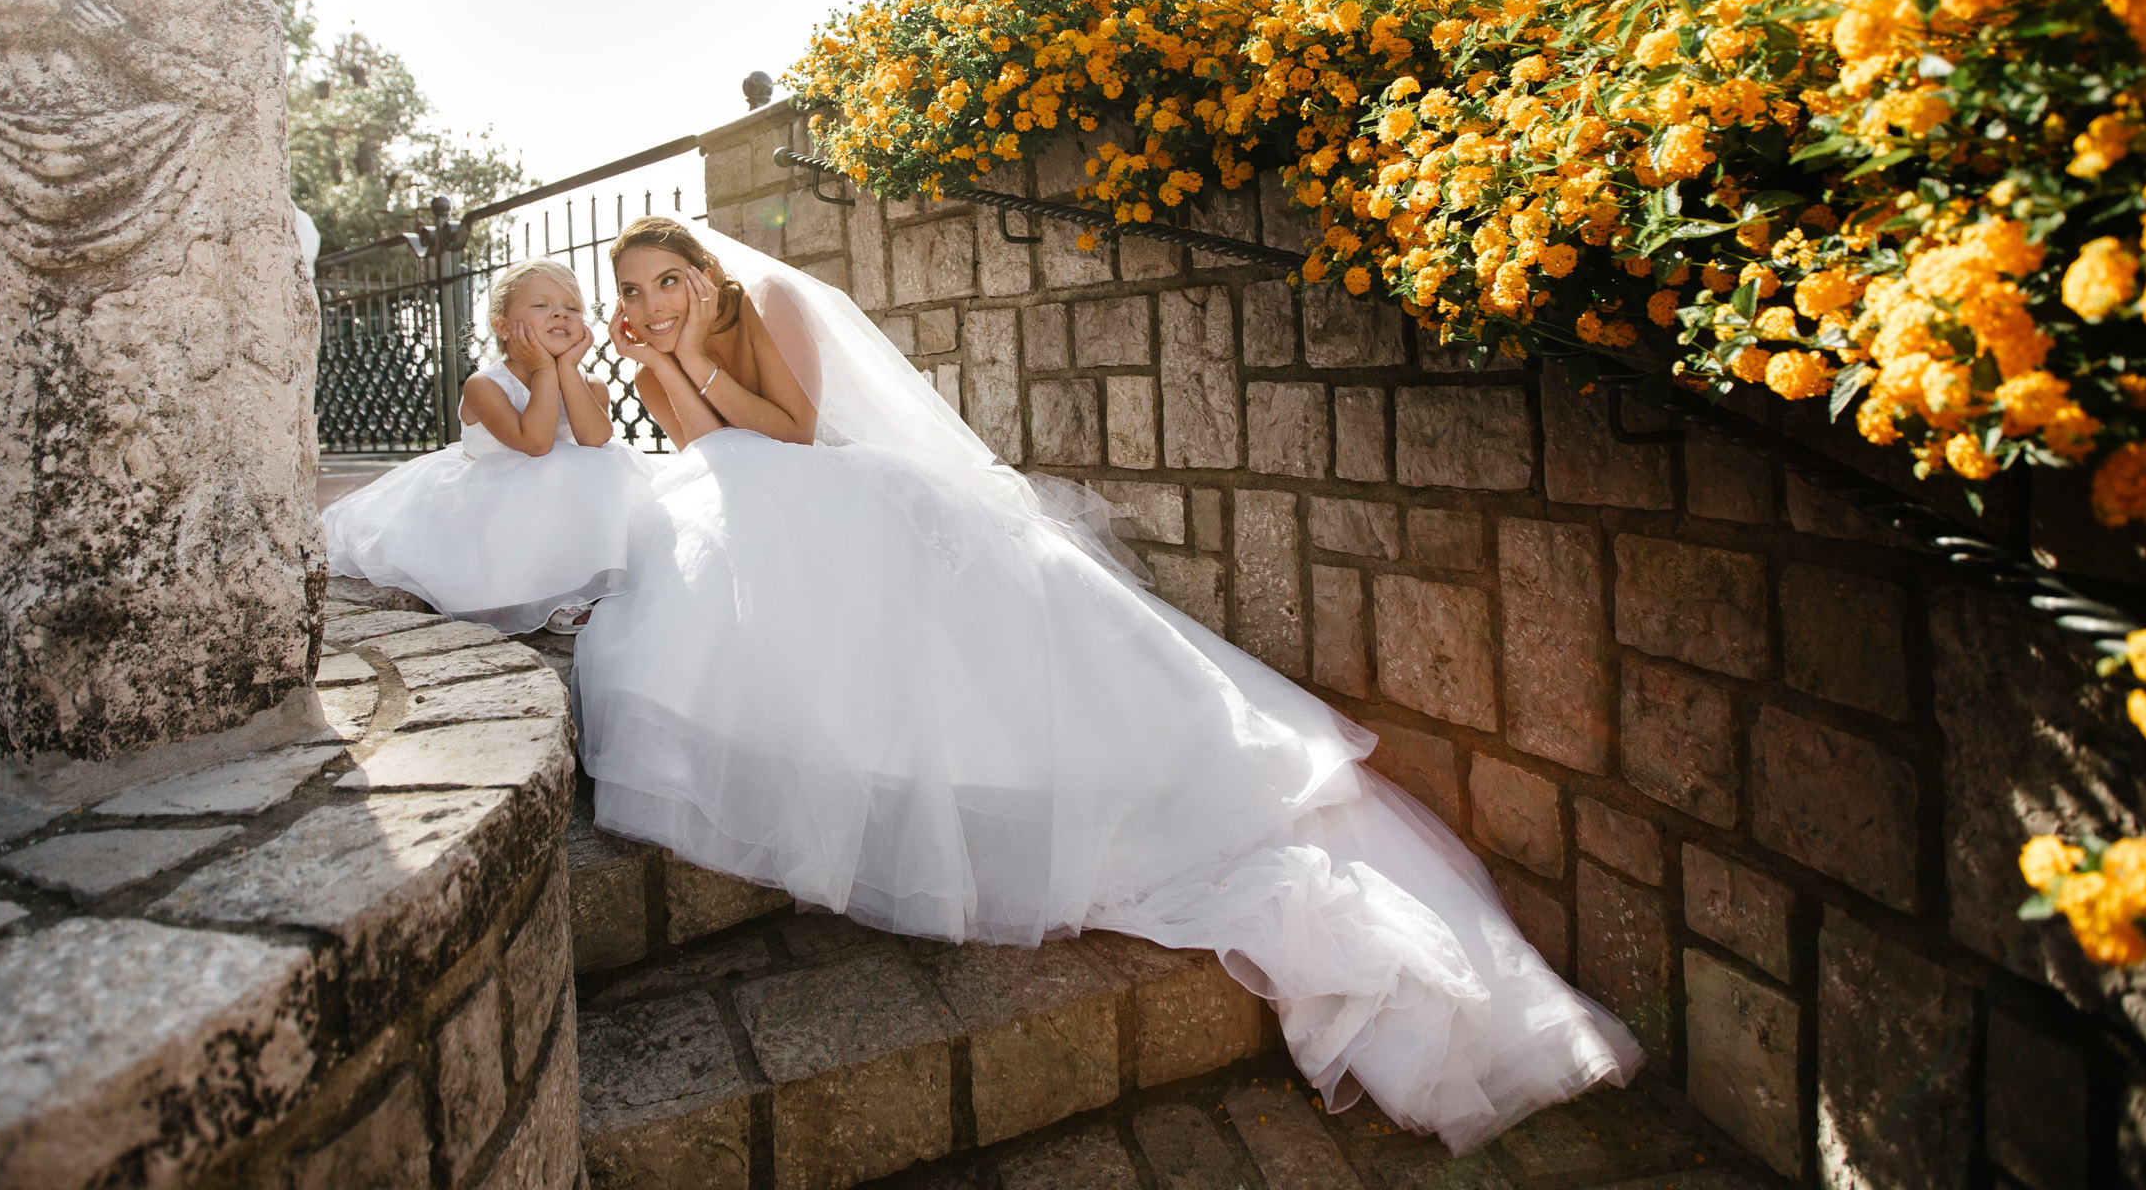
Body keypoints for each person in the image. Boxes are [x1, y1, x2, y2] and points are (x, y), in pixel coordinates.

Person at [571, 218, 1643, 1152]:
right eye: (633, 292)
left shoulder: (771, 303)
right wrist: (660, 366)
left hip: (858, 503)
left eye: (669, 281)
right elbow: (707, 452)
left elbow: (794, 431)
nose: (653, 303)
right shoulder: (663, 347)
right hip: (784, 516)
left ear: (704, 272)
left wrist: (692, 356)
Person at [324, 258, 654, 633]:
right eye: (541, 305)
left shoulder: (589, 383)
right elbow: (535, 444)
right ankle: (550, 595)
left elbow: (595, 440)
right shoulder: (484, 385)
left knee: (604, 463)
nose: (560, 314)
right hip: (488, 498)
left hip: (554, 498)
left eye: (572, 308)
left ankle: (595, 579)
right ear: (502, 326)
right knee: (556, 468)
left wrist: (566, 369)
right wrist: (544, 370)